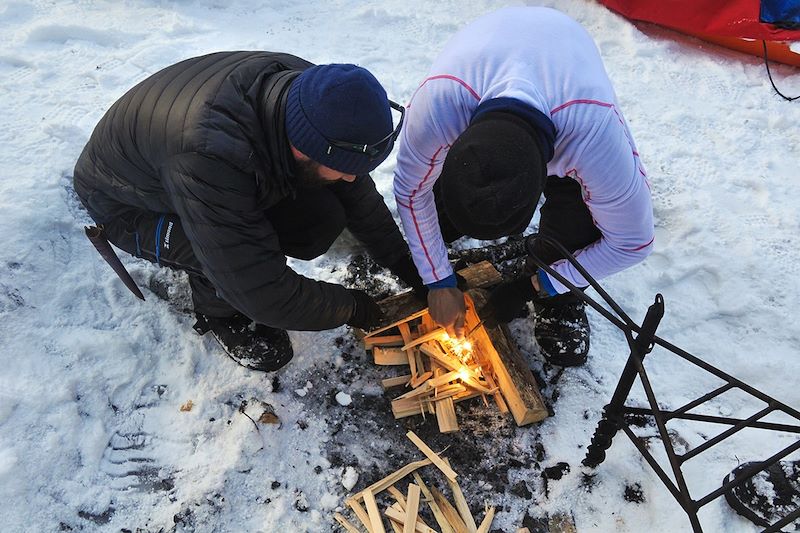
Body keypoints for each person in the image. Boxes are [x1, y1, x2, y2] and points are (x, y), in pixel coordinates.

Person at [74, 51, 423, 372]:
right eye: (344, 167)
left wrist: (412, 270)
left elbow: (356, 193)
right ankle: (219, 312)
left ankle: (232, 244)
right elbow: (262, 292)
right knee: (220, 257)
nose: (352, 176)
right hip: (125, 204)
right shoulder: (209, 159)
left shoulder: (313, 95)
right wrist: (352, 307)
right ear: (303, 149)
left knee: (321, 217)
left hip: (185, 168)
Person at [393, 7, 654, 366]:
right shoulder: (436, 110)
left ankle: (562, 298)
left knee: (577, 223)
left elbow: (632, 243)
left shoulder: (594, 137)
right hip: (488, 47)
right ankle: (450, 220)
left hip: (563, 51)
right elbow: (411, 192)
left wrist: (541, 284)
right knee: (438, 212)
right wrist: (437, 279)